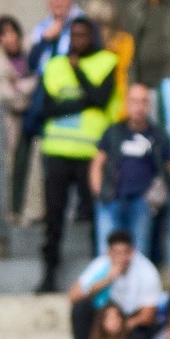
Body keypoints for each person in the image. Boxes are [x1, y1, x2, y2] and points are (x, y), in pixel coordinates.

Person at [36, 17, 117, 292]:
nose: (77, 40)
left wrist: (78, 71)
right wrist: (83, 102)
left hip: (90, 155)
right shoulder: (54, 65)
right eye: (74, 35)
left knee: (96, 214)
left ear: (92, 37)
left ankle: (101, 272)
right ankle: (48, 273)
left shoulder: (106, 61)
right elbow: (47, 108)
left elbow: (101, 99)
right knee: (54, 216)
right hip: (57, 151)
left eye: (83, 35)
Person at [89, 85, 170, 264]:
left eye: (144, 101)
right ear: (126, 103)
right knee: (106, 254)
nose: (139, 106)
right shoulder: (113, 131)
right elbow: (97, 164)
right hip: (111, 199)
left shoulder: (159, 135)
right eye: (134, 101)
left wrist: (158, 196)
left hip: (142, 202)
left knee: (139, 255)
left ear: (149, 105)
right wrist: (99, 193)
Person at [68, 229, 163, 339]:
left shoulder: (147, 271)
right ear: (109, 253)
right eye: (117, 253)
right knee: (80, 309)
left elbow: (148, 315)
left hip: (131, 319)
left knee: (142, 333)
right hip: (105, 317)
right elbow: (73, 295)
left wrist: (124, 325)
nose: (122, 258)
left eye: (126, 253)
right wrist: (108, 278)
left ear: (132, 252)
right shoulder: (101, 265)